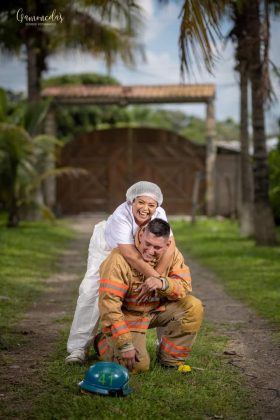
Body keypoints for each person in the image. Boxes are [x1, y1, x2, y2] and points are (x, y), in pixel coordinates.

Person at [66, 181, 176, 364]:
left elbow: (170, 248)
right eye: (141, 202)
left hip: (144, 247)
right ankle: (78, 348)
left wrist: (158, 279)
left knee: (165, 288)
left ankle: (163, 345)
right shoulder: (120, 217)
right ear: (131, 201)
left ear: (157, 206)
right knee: (90, 291)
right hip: (108, 247)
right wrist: (154, 277)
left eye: (151, 204)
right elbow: (129, 255)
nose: (145, 208)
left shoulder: (160, 215)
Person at [95, 218, 204, 373]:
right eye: (147, 244)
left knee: (193, 306)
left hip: (156, 310)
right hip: (129, 317)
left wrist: (163, 284)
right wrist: (125, 343)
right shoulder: (117, 259)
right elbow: (109, 305)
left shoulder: (173, 255)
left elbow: (184, 287)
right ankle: (103, 343)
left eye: (157, 247)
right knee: (137, 366)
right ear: (141, 237)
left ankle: (170, 360)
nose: (150, 251)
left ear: (167, 245)